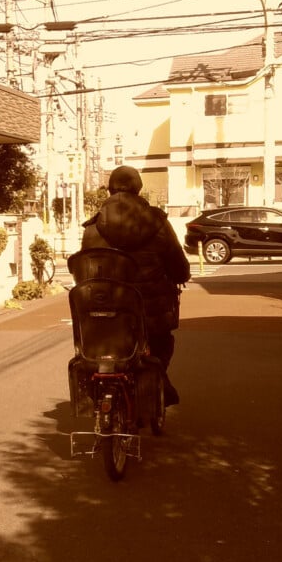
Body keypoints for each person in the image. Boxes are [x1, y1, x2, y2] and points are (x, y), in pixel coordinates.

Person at [80, 165, 191, 404]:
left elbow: (85, 271)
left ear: (109, 190)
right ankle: (158, 379)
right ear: (139, 188)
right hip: (151, 311)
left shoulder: (92, 228)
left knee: (104, 347)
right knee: (162, 343)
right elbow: (178, 266)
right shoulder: (158, 223)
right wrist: (180, 276)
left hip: (107, 310)